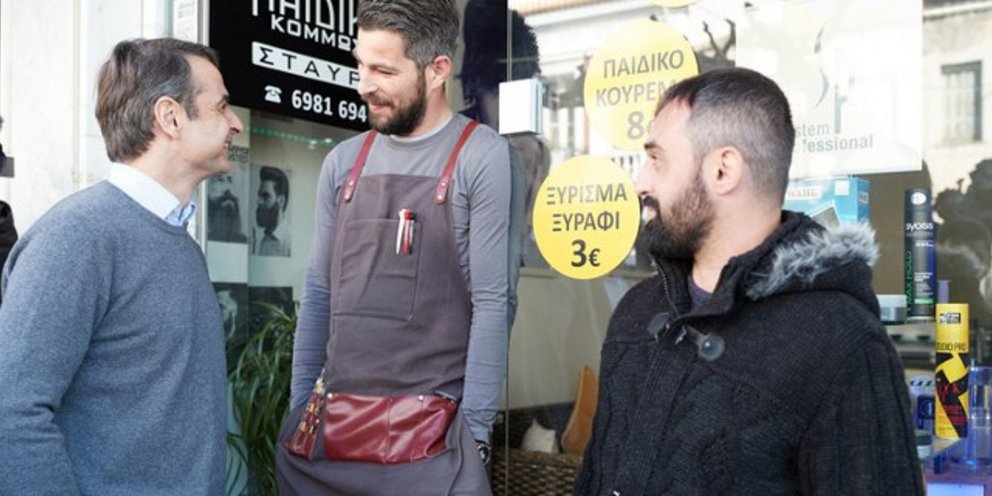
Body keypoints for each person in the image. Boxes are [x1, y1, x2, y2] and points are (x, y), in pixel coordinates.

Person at [575, 68, 923, 495]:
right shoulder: (638, 310)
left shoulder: (842, 341)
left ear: (723, 170)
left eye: (657, 159)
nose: (640, 182)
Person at [275, 1, 518, 494]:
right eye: (360, 65)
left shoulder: (482, 157)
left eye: (383, 70)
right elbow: (318, 293)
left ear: (438, 70)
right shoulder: (343, 164)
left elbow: (494, 303)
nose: (363, 85)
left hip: (431, 449)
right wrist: (299, 408)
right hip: (333, 444)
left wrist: (475, 436)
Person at [0, 38, 243, 495]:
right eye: (221, 106)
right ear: (170, 117)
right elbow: (11, 413)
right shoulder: (77, 237)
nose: (235, 124)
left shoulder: (180, 243)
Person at [251, 165, 291, 256]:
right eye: (259, 196)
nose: (259, 201)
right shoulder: (264, 240)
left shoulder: (288, 241)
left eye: (265, 196)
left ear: (281, 201)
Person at [207, 164, 249, 243]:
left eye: (230, 180)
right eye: (220, 180)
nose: (227, 188)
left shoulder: (243, 241)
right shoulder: (200, 238)